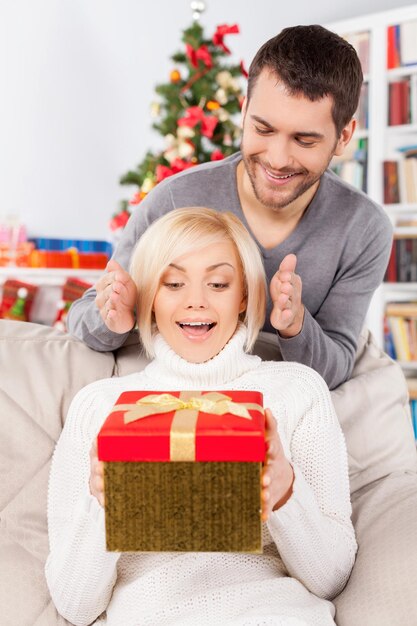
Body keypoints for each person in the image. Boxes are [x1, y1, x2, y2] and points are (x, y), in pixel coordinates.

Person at [46, 208, 357, 626]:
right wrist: (103, 506)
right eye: (173, 283)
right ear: (149, 297)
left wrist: (285, 493)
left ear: (244, 295)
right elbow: (74, 605)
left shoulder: (297, 391)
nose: (196, 300)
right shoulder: (100, 407)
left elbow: (331, 579)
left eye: (218, 283)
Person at [67, 25, 392, 390]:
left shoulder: (364, 227)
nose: (278, 159)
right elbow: (83, 317)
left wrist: (297, 324)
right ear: (244, 110)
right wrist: (115, 317)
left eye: (304, 140)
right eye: (263, 129)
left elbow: (337, 366)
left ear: (343, 136)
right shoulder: (175, 198)